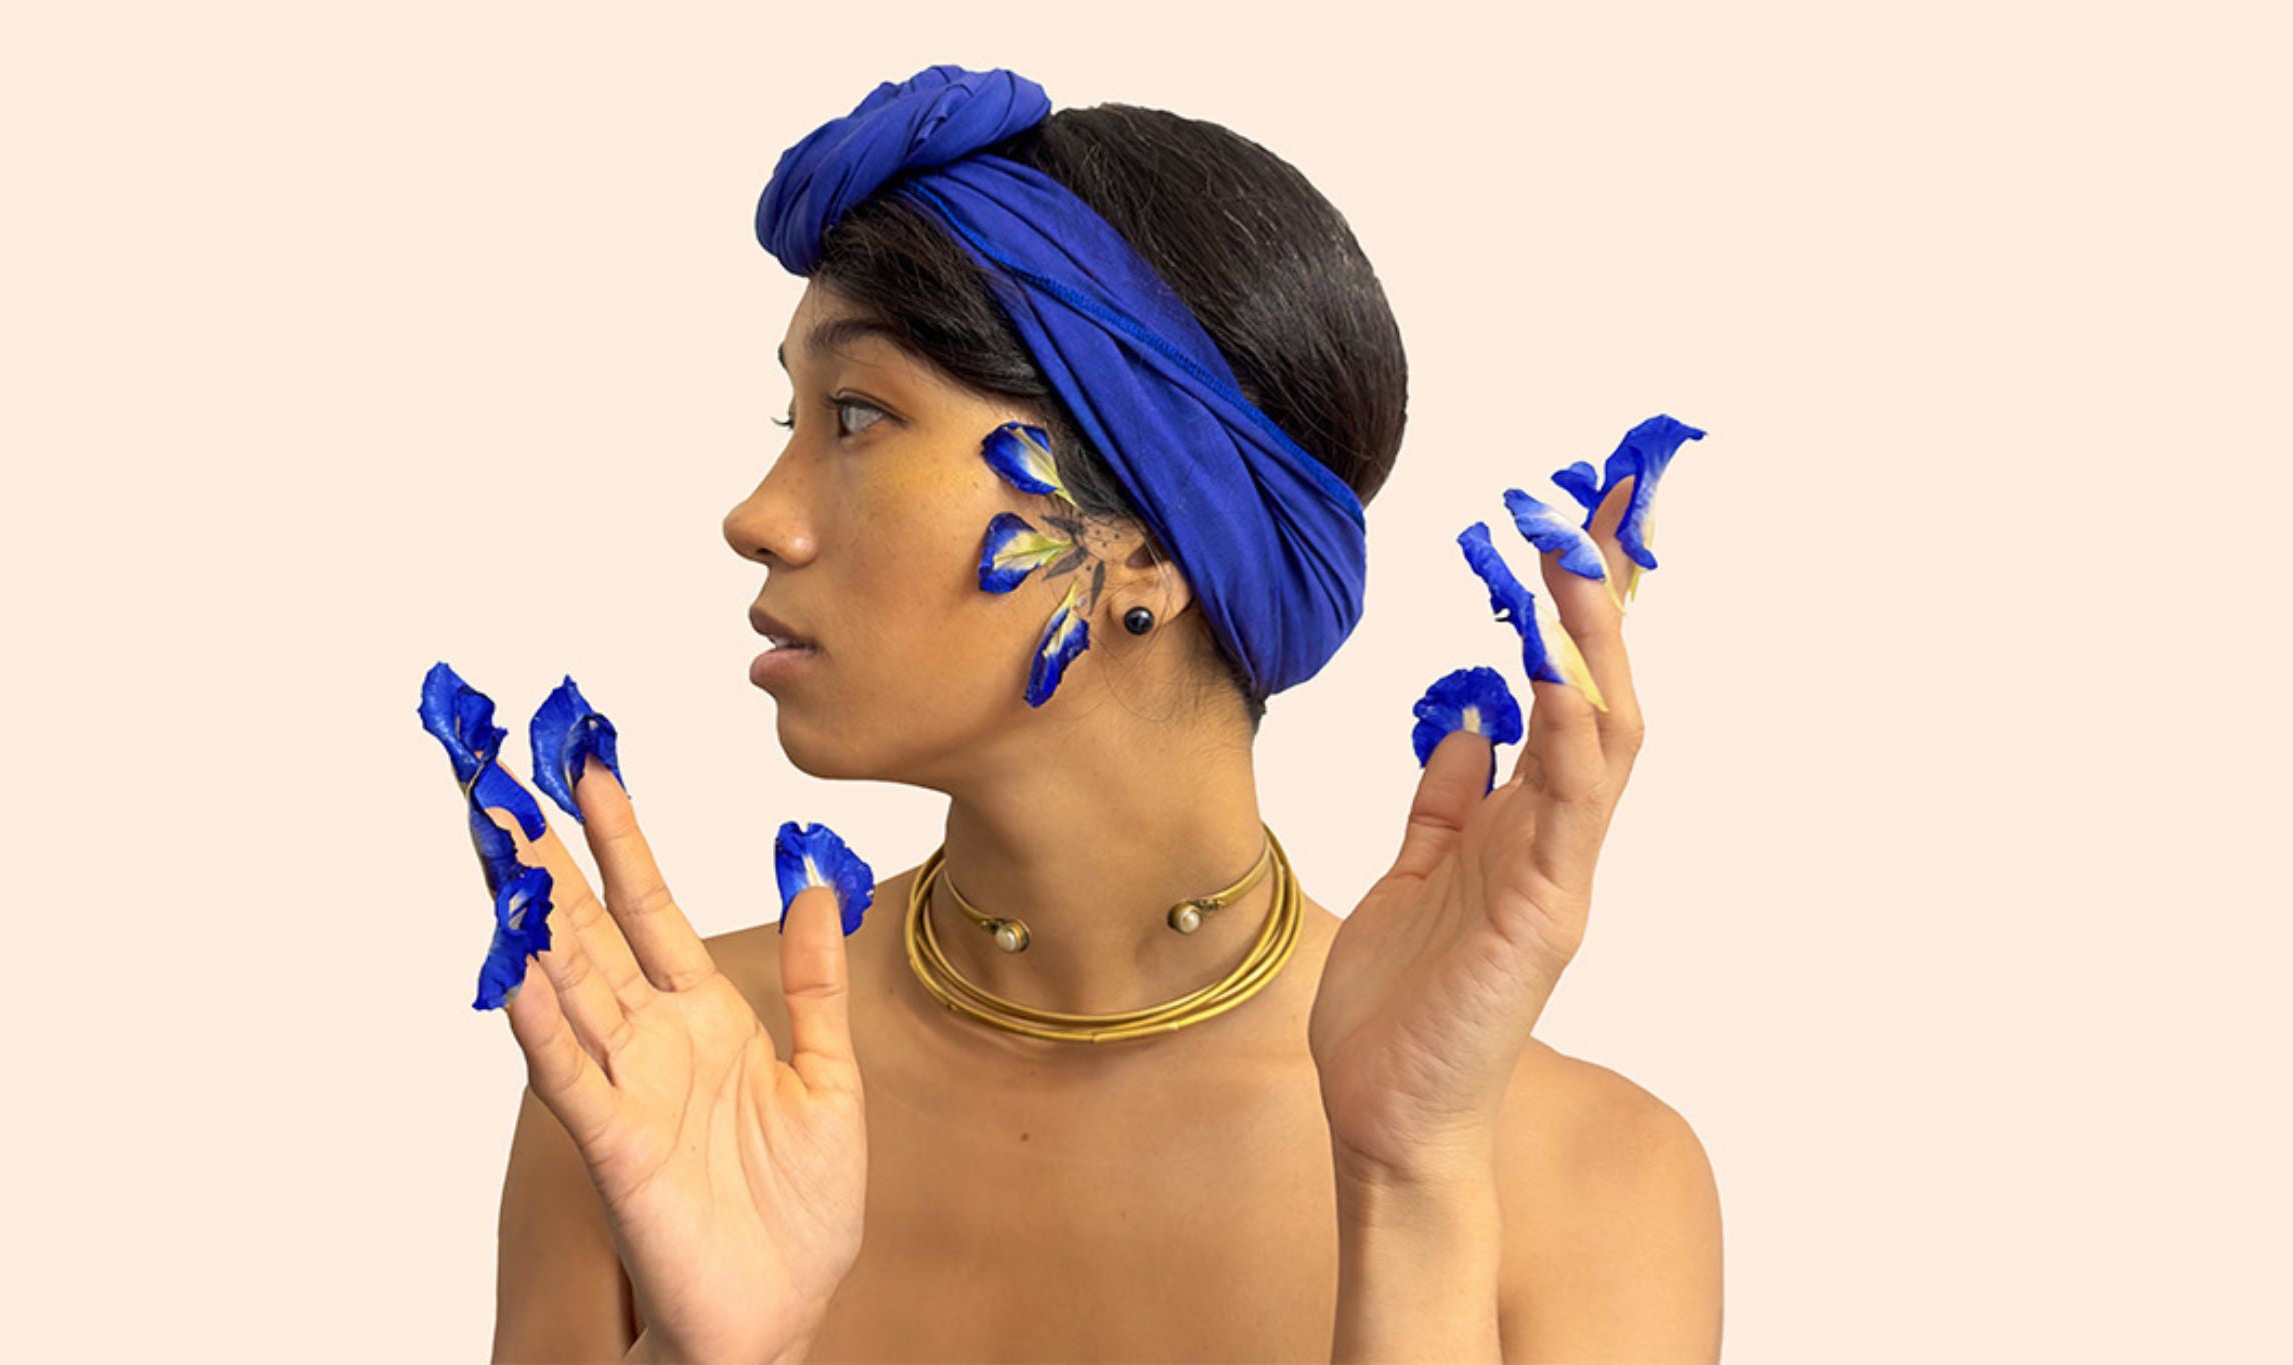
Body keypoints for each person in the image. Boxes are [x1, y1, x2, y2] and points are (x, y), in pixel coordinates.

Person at [475, 65, 1721, 1363]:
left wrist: (1411, 1178)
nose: (758, 516)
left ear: (1150, 541)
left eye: (854, 415)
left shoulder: (1589, 1182)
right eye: (793, 416)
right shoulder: (665, 1084)